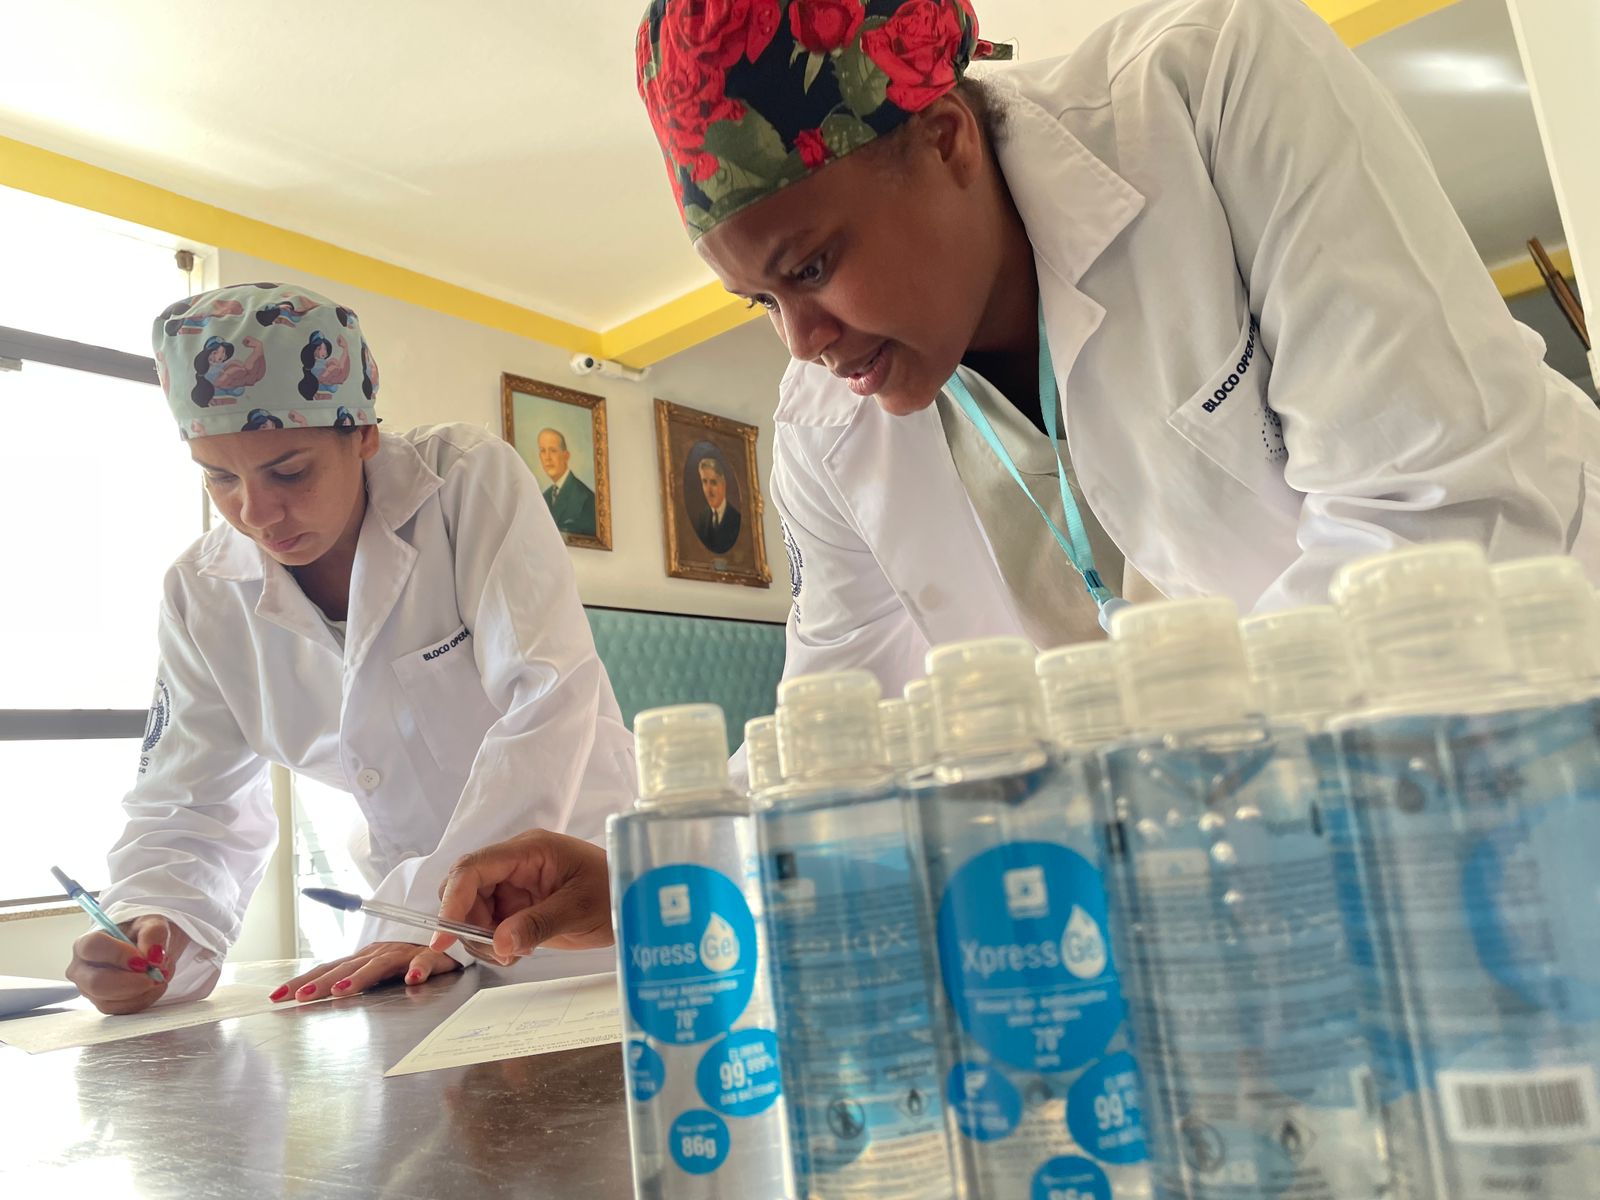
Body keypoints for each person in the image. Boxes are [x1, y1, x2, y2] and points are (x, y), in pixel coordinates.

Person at [434, 0, 1600, 940]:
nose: (802, 340)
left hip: (1531, 751)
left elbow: (1442, 513)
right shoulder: (824, 429)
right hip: (1245, 882)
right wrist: (659, 877)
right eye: (761, 302)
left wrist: (1150, 797)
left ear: (946, 138)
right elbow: (839, 719)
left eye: (813, 265)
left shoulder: (1212, 90)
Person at [65, 282, 631, 1015]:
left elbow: (547, 699)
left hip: (583, 912)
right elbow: (189, 806)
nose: (256, 513)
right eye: (219, 477)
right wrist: (156, 922)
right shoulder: (201, 595)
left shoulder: (464, 483)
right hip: (413, 953)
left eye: (289, 471)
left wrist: (434, 915)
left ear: (363, 432)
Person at [536, 428, 598, 537]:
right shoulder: (543, 498)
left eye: (553, 450)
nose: (547, 458)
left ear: (566, 455)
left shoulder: (584, 498)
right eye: (543, 451)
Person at [692, 454, 741, 554]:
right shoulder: (702, 518)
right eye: (704, 482)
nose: (708, 490)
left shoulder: (736, 519)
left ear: (723, 484)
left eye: (713, 482)